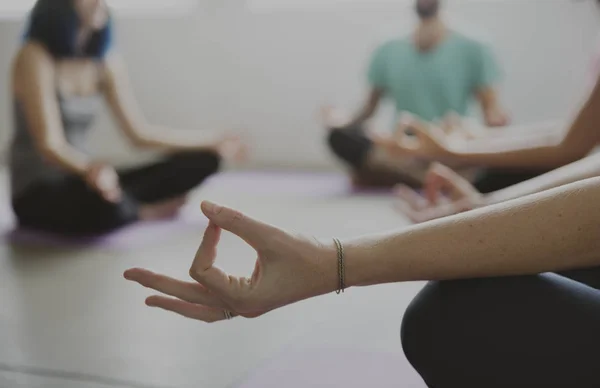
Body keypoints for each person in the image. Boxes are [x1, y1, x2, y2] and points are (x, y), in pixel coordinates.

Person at [9, 0, 245, 236]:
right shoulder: (34, 56)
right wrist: (91, 170)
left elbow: (139, 134)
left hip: (90, 178)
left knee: (204, 160)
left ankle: (128, 207)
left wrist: (212, 141)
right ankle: (142, 212)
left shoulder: (104, 62)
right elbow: (50, 145)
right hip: (40, 188)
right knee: (102, 204)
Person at [324, 0, 509, 189]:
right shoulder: (387, 45)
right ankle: (434, 178)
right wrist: (342, 120)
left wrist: (495, 130)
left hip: (452, 146)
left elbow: (491, 112)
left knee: (503, 165)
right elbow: (369, 108)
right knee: (340, 137)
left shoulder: (474, 45)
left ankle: (396, 176)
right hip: (403, 148)